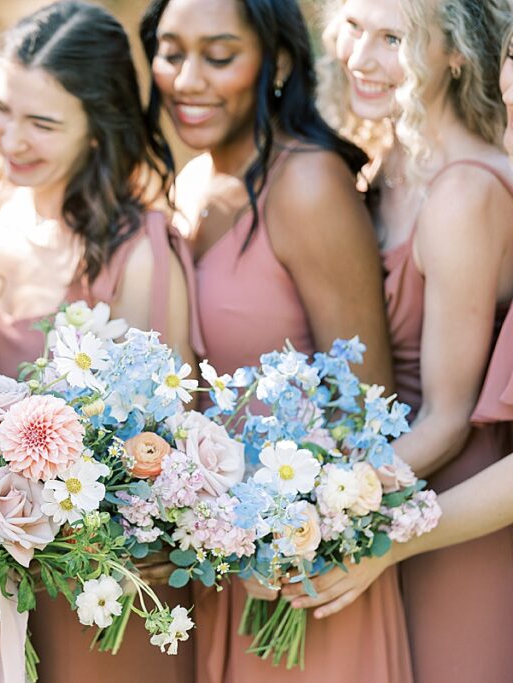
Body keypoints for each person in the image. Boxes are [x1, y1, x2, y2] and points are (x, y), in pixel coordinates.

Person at [139, 0, 410, 681]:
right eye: (171, 52)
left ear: (278, 60)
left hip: (305, 579)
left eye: (219, 55)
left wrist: (291, 533)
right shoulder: (193, 183)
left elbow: (365, 413)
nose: (188, 78)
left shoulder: (310, 183)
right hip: (218, 565)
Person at [0, 1, 199, 680]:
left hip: (102, 582)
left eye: (42, 123)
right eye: (3, 107)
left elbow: (156, 443)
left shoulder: (139, 253)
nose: (11, 139)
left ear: (98, 129)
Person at [284, 4, 513, 681]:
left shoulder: (464, 193)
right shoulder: (381, 168)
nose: (360, 57)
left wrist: (323, 508)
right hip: (382, 506)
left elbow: (446, 419)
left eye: (394, 39)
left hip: (451, 520)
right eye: (354, 28)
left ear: (457, 54)